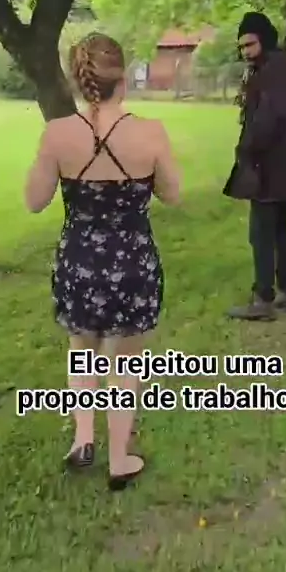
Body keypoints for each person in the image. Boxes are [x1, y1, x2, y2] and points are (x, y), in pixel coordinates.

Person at [24, 32, 179, 489]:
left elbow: (34, 201)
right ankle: (118, 459)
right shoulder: (151, 132)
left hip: (79, 264)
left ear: (78, 80)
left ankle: (83, 439)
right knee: (125, 364)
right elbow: (173, 194)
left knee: (82, 351)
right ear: (122, 79)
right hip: (133, 264)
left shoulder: (57, 134)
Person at [223, 12, 286, 321]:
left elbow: (268, 119)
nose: (245, 51)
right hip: (283, 164)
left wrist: (246, 149)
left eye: (250, 44)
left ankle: (263, 300)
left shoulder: (276, 70)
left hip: (272, 165)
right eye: (241, 47)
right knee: (279, 229)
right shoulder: (276, 67)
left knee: (261, 233)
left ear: (264, 39)